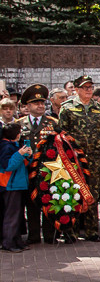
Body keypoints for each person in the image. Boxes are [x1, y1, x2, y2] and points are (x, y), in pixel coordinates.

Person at [58, 75, 100, 242]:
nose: (88, 90)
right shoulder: (67, 108)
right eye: (85, 87)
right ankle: (71, 231)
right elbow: (61, 136)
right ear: (77, 89)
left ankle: (91, 231)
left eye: (90, 87)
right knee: (73, 193)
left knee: (93, 194)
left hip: (94, 158)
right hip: (74, 159)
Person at [16, 84, 58, 245]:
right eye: (36, 103)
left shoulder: (53, 122)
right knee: (31, 203)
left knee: (48, 201)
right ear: (27, 106)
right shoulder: (19, 124)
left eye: (42, 103)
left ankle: (49, 234)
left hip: (48, 170)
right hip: (27, 171)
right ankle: (34, 235)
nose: (40, 106)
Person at [0, 123, 31, 253]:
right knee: (11, 215)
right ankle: (8, 242)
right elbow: (8, 165)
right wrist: (19, 154)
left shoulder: (13, 145)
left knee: (18, 215)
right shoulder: (5, 146)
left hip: (17, 184)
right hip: (10, 185)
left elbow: (22, 164)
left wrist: (28, 156)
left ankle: (17, 240)